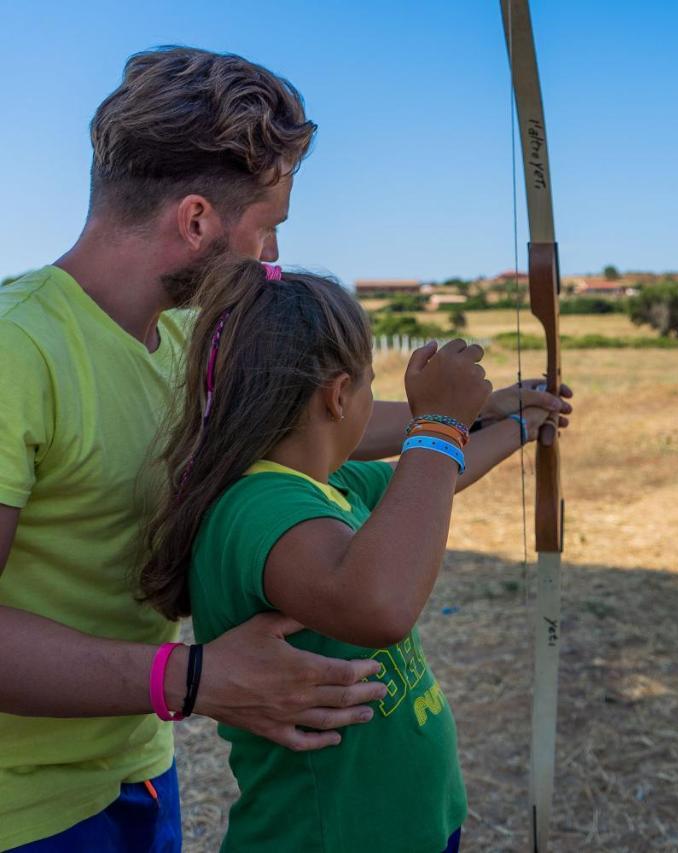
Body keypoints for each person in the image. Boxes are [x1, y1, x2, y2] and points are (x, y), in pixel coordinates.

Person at [0, 46, 570, 850]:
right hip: (24, 814)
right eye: (267, 227)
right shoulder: (15, 350)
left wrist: (484, 418)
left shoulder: (185, 340)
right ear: (197, 219)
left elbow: (317, 426)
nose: (270, 257)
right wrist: (193, 678)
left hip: (134, 773)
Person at [139, 260, 535, 852]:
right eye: (372, 383)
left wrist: (522, 423)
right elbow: (378, 606)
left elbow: (434, 481)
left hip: (408, 825)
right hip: (326, 837)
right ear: (340, 396)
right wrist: (440, 424)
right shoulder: (258, 506)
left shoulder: (329, 483)